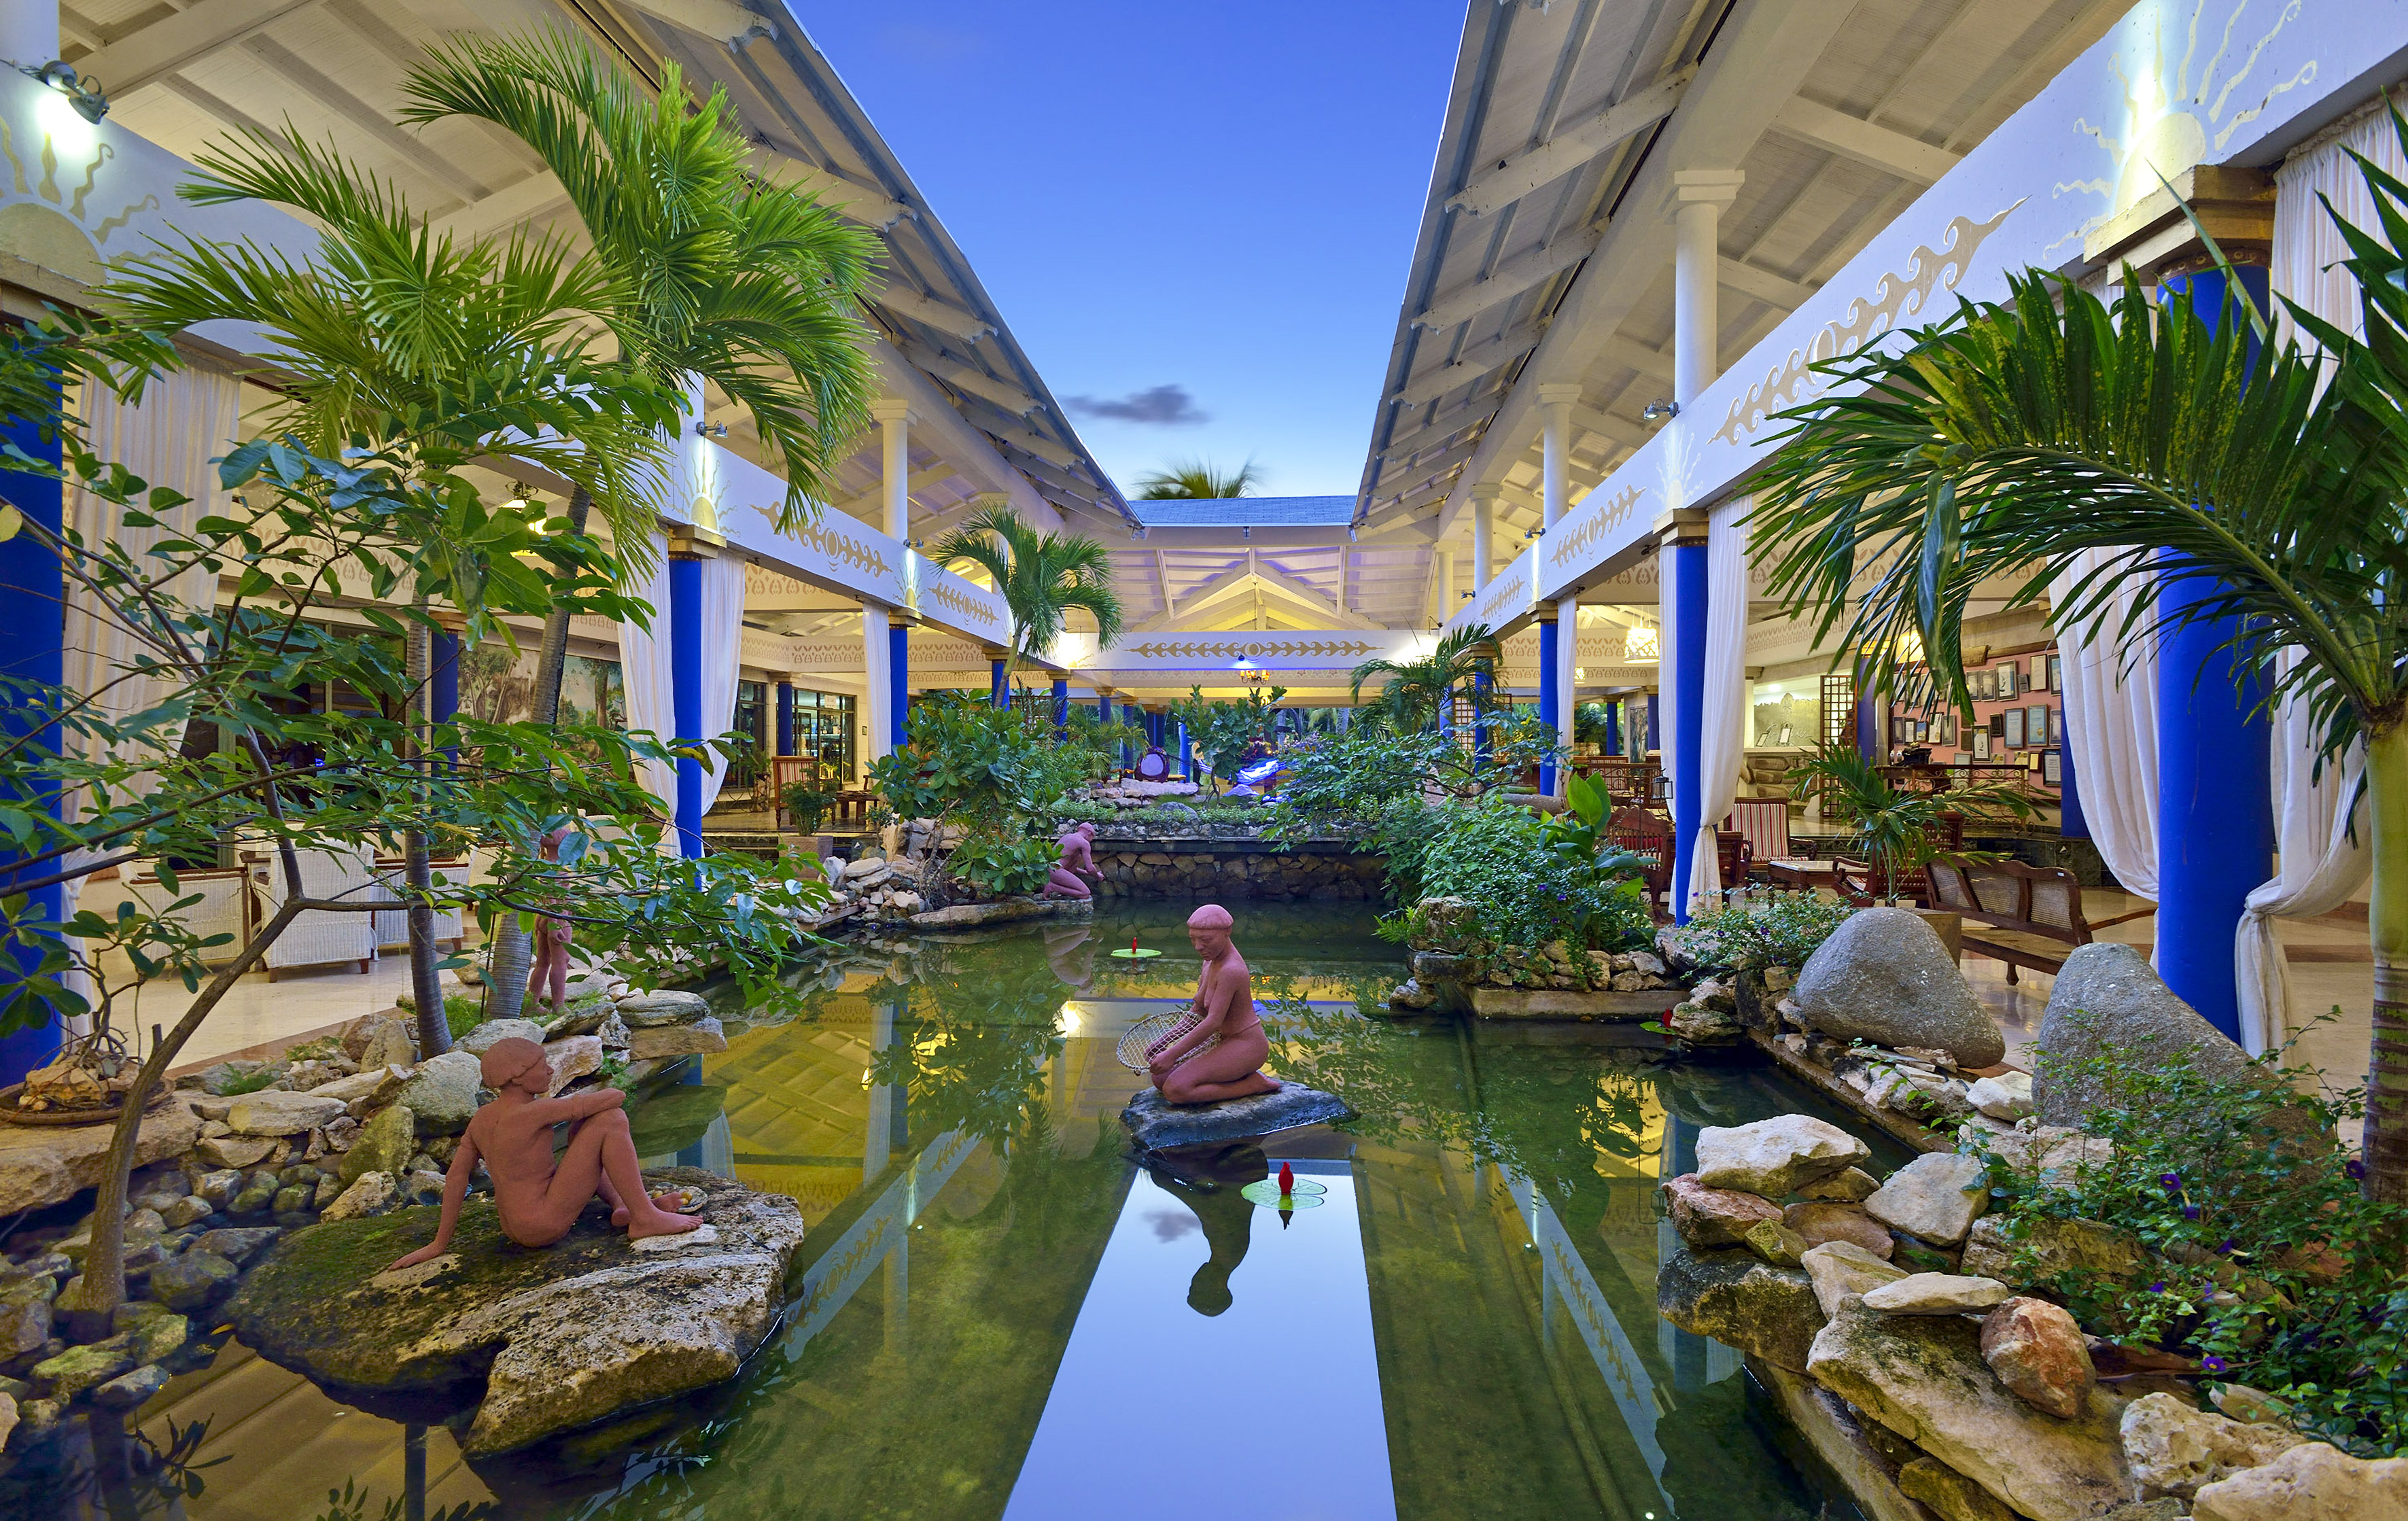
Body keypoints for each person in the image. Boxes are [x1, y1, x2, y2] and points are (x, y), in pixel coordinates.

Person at [383, 1037, 699, 1271]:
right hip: (544, 1223)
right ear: (518, 1077)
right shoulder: (534, 1111)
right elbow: (615, 1097)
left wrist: (440, 1243)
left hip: (517, 1227)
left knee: (583, 1128)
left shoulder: (482, 1118)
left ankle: (624, 1206)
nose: (550, 1070)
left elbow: (455, 1177)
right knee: (611, 1119)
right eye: (542, 1066)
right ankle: (645, 1218)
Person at [1145, 903, 1280, 1103]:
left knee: (1175, 1090)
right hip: (1221, 1040)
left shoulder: (1231, 970)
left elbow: (1214, 1021)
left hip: (1246, 1045)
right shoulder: (1209, 963)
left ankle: (1251, 1085)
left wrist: (1173, 1054)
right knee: (1160, 1079)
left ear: (1227, 932)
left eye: (1206, 940)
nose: (1199, 947)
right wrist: (1164, 1042)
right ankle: (1232, 1077)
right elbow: (1198, 1011)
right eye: (1193, 940)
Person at [526, 824, 576, 1014]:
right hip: (557, 919)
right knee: (560, 961)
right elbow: (553, 900)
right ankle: (558, 1005)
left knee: (543, 962)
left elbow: (545, 899)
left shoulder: (543, 864)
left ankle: (532, 1003)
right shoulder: (557, 868)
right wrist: (557, 925)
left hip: (542, 918)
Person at [1044, 820, 1102, 900]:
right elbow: (1090, 868)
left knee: (1077, 857)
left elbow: (1073, 868)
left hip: (1049, 869)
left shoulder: (1068, 837)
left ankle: (1058, 889)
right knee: (1085, 893)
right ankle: (1053, 887)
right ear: (1090, 833)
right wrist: (1097, 876)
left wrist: (1086, 873)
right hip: (1056, 870)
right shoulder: (1083, 843)